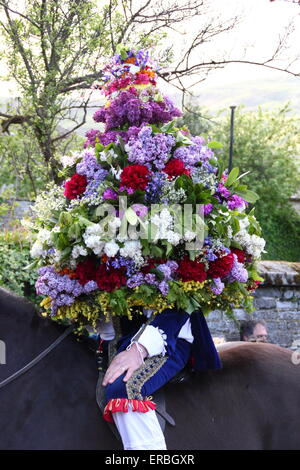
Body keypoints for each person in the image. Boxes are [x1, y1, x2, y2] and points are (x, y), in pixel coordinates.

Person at [98, 307, 222, 450]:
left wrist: (140, 349)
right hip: (120, 338)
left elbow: (179, 303)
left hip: (169, 335)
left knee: (124, 387)